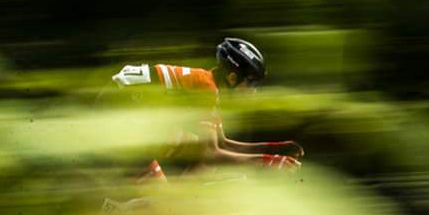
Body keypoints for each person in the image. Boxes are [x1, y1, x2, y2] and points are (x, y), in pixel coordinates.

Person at [109, 36, 303, 179]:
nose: (253, 91)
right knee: (200, 155)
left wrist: (274, 148)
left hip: (125, 112)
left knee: (199, 152)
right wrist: (267, 161)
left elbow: (222, 144)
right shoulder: (206, 88)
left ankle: (166, 203)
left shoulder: (208, 85)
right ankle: (172, 204)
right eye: (251, 84)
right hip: (119, 112)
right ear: (232, 78)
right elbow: (211, 154)